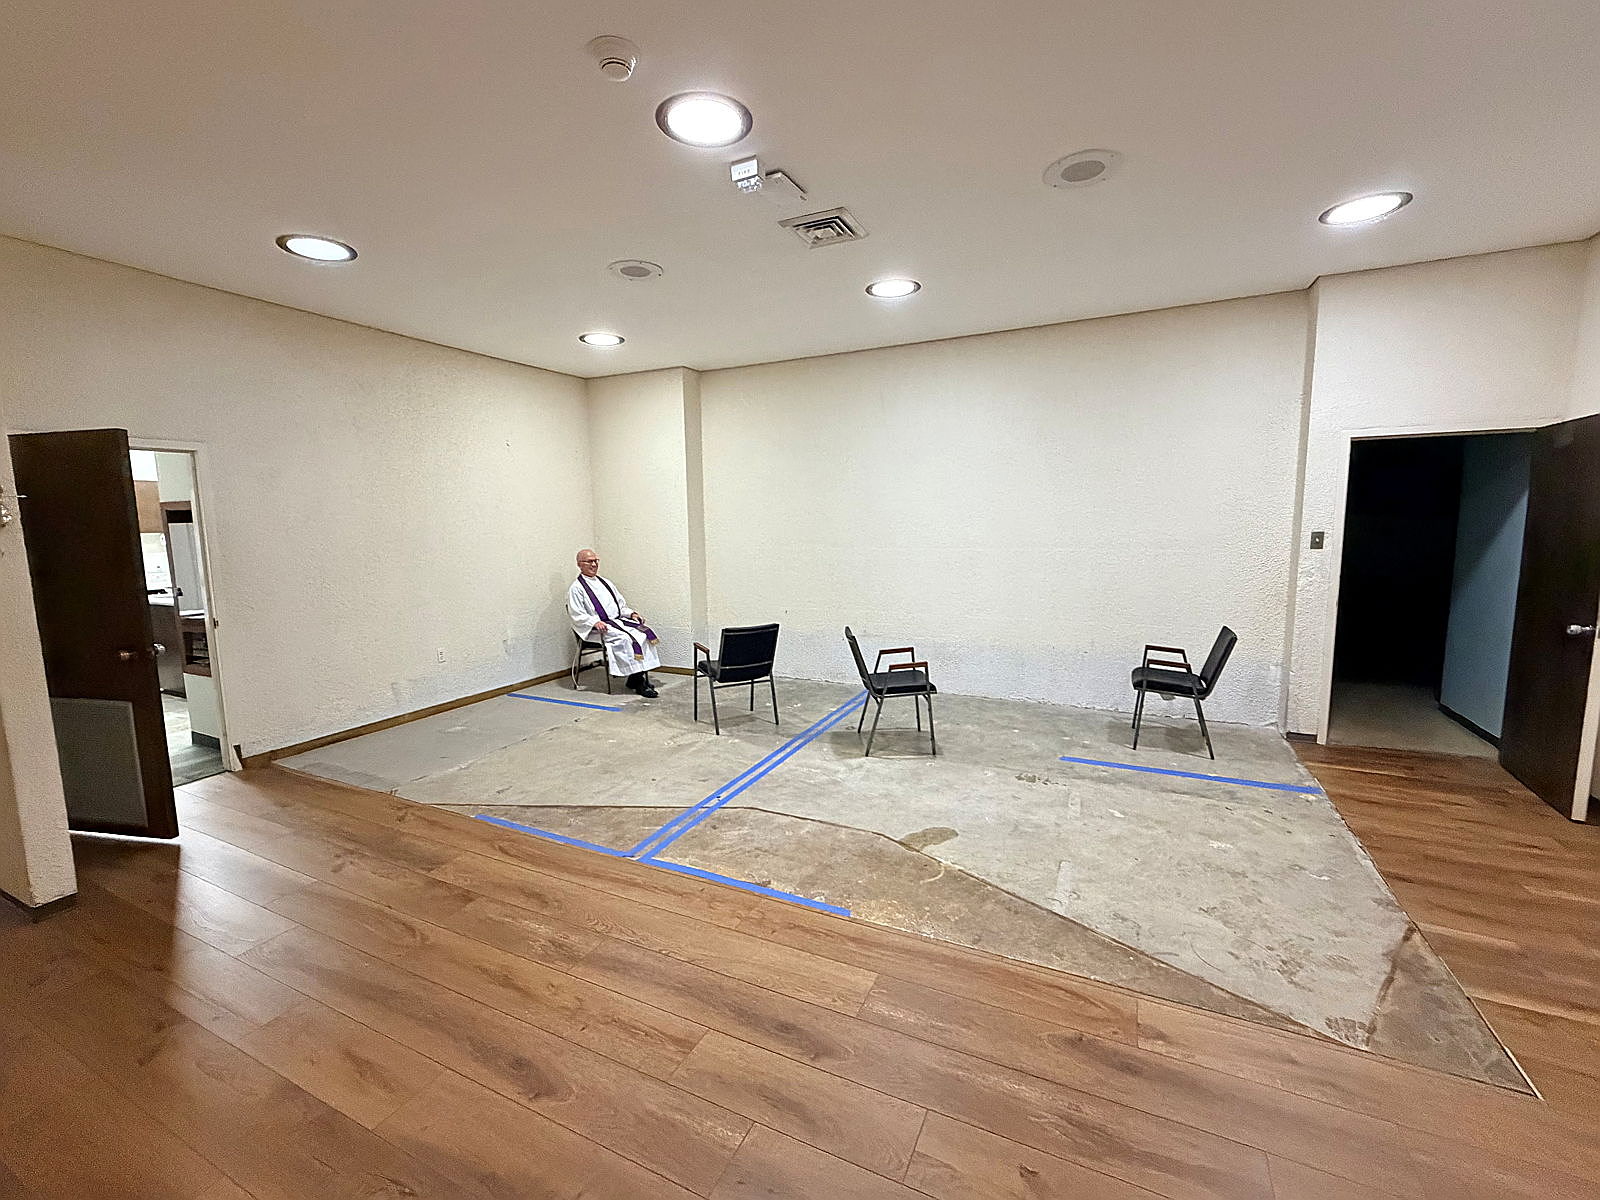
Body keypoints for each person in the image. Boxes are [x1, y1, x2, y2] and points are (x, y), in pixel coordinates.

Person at [567, 549, 661, 696]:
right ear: (579, 564)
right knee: (624, 639)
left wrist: (631, 614)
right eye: (589, 561)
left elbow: (620, 606)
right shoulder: (576, 588)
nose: (594, 564)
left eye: (596, 560)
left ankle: (635, 677)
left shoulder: (606, 583)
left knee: (644, 633)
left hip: (617, 622)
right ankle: (639, 683)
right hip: (598, 629)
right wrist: (594, 622)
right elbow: (577, 614)